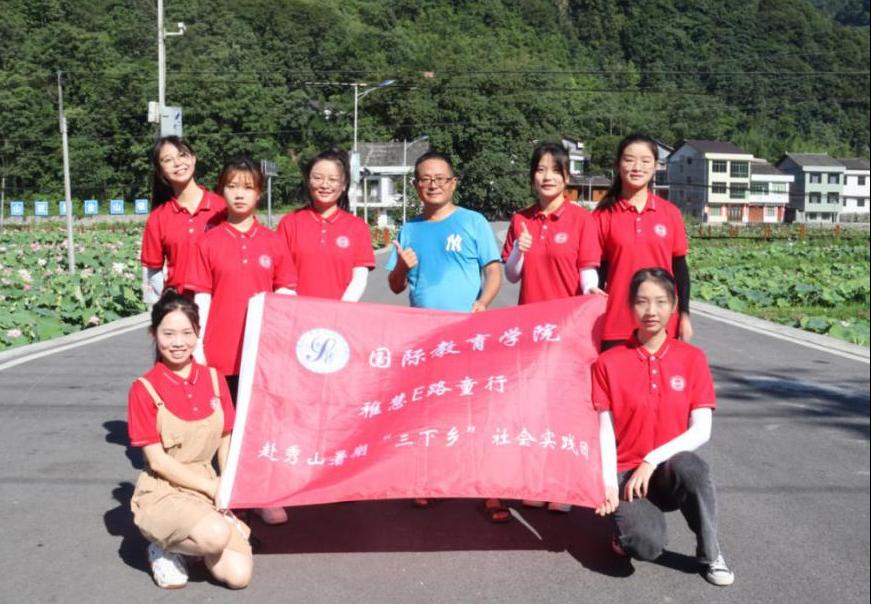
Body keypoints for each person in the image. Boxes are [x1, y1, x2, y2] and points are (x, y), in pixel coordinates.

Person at [593, 268, 734, 587]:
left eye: (660, 301)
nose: (651, 311)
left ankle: (711, 553)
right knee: (645, 547)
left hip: (670, 469)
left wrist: (651, 459)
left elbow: (702, 430)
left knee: (692, 466)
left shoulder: (692, 359)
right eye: (642, 301)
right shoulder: (608, 363)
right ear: (630, 306)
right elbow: (604, 430)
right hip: (628, 475)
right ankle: (627, 531)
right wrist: (609, 484)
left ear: (674, 305)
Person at [386, 150, 507, 522]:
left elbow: (493, 272)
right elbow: (395, 285)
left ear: (453, 183)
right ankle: (430, 481)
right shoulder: (409, 230)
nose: (433, 184)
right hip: (425, 340)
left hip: (469, 335)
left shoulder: (473, 222)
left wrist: (482, 303)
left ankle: (490, 489)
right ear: (415, 186)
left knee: (476, 411)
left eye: (440, 178)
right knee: (429, 412)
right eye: (425, 179)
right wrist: (401, 267)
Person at [185, 157, 298, 526]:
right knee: (225, 427)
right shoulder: (208, 242)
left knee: (261, 425)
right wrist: (199, 349)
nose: (239, 194)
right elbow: (201, 297)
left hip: (262, 353)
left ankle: (262, 494)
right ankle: (229, 495)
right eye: (232, 186)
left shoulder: (273, 241)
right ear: (222, 190)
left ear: (259, 193)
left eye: (248, 187)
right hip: (221, 352)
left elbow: (286, 294)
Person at [502, 142, 604, 513]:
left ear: (566, 176)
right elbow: (512, 274)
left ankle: (563, 485)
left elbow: (587, 270)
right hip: (529, 331)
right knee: (532, 408)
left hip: (568, 332)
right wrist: (520, 249)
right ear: (532, 175)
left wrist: (591, 292)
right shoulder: (521, 219)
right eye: (540, 169)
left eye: (555, 170)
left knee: (564, 409)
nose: (547, 177)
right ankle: (535, 480)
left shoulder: (581, 219)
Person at [127, 289, 252, 590]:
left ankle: (199, 540)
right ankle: (164, 547)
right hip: (165, 489)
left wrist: (226, 486)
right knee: (216, 536)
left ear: (198, 333)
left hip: (207, 484)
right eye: (168, 333)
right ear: (154, 334)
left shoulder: (214, 379)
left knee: (238, 577)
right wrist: (211, 488)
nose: (178, 342)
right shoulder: (143, 389)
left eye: (187, 333)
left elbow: (226, 436)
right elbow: (158, 461)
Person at [593, 132, 692, 351]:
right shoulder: (602, 216)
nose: (637, 167)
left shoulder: (670, 213)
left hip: (662, 324)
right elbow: (597, 275)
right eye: (629, 160)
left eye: (645, 161)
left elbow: (680, 270)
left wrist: (684, 314)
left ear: (655, 166)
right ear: (618, 165)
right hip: (616, 324)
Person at [277, 149, 375, 301]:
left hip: (340, 312)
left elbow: (359, 277)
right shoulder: (289, 223)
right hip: (297, 311)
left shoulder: (357, 227)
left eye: (333, 179)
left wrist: (341, 309)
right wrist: (295, 307)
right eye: (317, 178)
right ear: (308, 181)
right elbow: (280, 274)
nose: (324, 185)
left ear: (344, 185)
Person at [140, 136, 227, 301]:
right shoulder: (158, 218)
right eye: (168, 160)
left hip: (222, 304)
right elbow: (152, 271)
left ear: (193, 158)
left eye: (182, 155)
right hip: (182, 309)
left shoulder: (222, 207)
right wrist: (169, 304)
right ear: (160, 171)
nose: (177, 163)